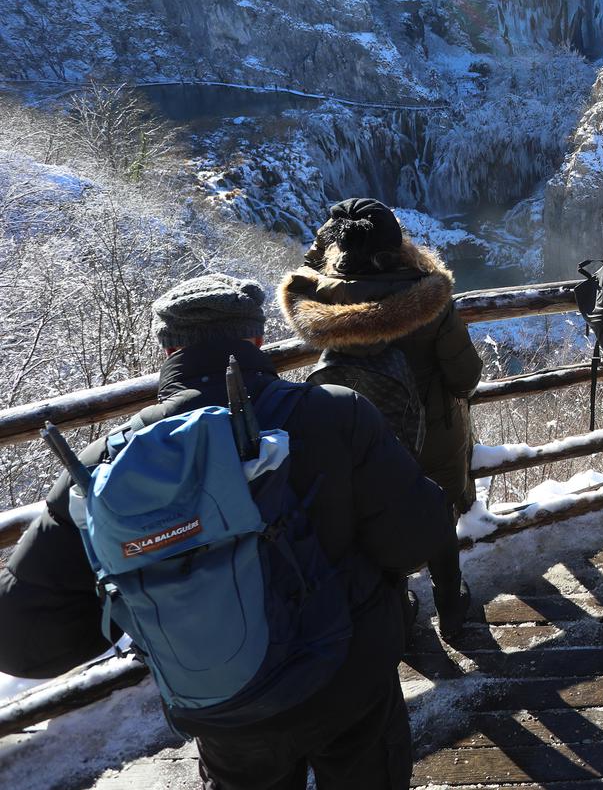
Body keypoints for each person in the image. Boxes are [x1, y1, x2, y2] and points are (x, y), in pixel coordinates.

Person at [0, 274, 451, 789]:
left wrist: (142, 598)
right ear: (256, 340)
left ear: (167, 349)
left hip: (227, 702)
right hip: (349, 676)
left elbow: (20, 641)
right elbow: (416, 539)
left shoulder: (105, 467)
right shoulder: (336, 412)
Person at [277, 197, 485, 638]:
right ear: (396, 242)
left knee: (373, 518)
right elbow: (465, 377)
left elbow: (306, 273)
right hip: (433, 434)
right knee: (437, 513)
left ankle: (396, 612)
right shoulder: (428, 298)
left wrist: (320, 251)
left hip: (360, 441)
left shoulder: (320, 302)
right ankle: (451, 605)